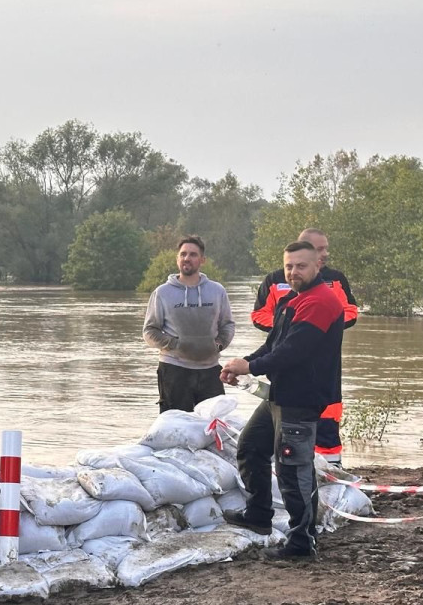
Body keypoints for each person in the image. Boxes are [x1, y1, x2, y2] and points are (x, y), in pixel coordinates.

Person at [220, 241, 345, 561]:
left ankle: (302, 543)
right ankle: (259, 514)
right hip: (281, 394)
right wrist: (242, 365)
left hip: (302, 398)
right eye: (289, 266)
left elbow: (294, 351)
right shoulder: (292, 299)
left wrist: (251, 367)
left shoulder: (321, 301)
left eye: (301, 266)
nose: (293, 272)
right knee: (250, 448)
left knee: (293, 471)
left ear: (318, 265)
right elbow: (274, 345)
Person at [251, 227, 358, 463]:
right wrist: (288, 327)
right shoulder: (275, 281)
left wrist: (325, 327)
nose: (325, 253)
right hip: (283, 360)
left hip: (321, 359)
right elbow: (259, 314)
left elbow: (349, 310)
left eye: (325, 249)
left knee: (328, 416)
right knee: (264, 440)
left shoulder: (335, 280)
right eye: (320, 249)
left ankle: (331, 465)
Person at [143, 235, 235, 412]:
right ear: (177, 258)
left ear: (202, 260)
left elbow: (228, 324)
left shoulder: (217, 290)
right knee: (175, 425)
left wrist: (219, 344)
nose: (187, 258)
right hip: (174, 368)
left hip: (210, 369)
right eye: (183, 254)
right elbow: (149, 331)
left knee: (214, 424)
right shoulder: (162, 292)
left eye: (193, 254)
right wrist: (175, 344)